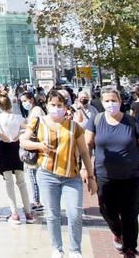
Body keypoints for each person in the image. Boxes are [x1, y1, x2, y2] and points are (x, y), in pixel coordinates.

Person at [19, 89, 97, 258]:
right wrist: (40, 146)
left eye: (59, 105)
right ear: (46, 105)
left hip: (71, 176)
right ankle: (57, 248)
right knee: (52, 214)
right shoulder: (38, 122)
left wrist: (90, 176)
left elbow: (84, 152)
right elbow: (23, 141)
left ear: (64, 106)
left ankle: (75, 250)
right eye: (53, 105)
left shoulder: (74, 126)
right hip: (47, 174)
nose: (56, 108)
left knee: (75, 214)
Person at [85, 88, 139, 257]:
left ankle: (130, 247)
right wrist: (87, 170)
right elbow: (87, 146)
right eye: (106, 101)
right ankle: (118, 232)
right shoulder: (96, 121)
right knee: (107, 210)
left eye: (114, 100)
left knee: (130, 213)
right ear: (101, 103)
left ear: (120, 102)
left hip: (132, 177)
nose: (110, 104)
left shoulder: (133, 123)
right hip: (105, 177)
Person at [0, 95, 34, 224]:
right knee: (21, 182)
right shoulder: (18, 117)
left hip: (5, 147)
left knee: (9, 182)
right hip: (16, 146)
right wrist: (20, 134)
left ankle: (14, 213)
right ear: (10, 104)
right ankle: (28, 213)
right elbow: (30, 127)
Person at [20, 91, 46, 211]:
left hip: (34, 146)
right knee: (34, 175)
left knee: (33, 175)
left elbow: (35, 127)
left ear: (31, 99)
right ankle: (37, 200)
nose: (23, 103)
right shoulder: (34, 110)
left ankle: (37, 201)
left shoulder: (36, 111)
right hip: (34, 144)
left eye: (25, 100)